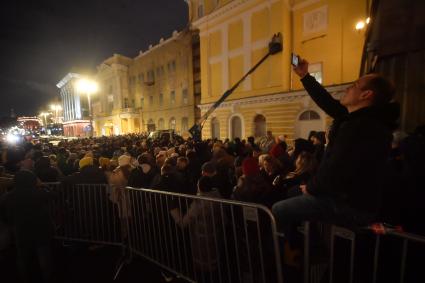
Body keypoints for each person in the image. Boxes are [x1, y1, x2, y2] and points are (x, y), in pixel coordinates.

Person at [272, 57, 400, 234]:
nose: (348, 88)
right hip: (349, 198)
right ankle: (301, 244)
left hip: (351, 205)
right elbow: (328, 103)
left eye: (354, 85)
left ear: (366, 95)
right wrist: (305, 76)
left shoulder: (361, 127)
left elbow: (337, 167)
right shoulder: (360, 119)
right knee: (293, 192)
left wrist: (311, 188)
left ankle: (284, 253)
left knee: (279, 209)